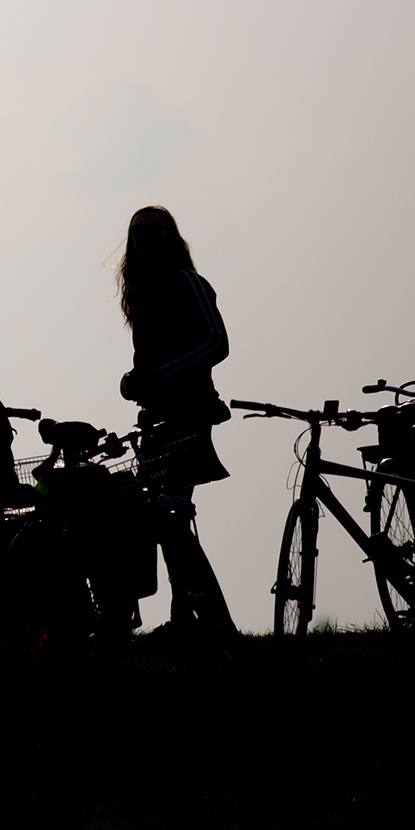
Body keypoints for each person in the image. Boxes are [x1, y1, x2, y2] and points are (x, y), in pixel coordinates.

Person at [114, 205, 237, 641]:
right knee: (164, 520)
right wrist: (134, 381)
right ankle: (189, 621)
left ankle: (207, 625)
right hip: (156, 419)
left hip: (187, 415)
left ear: (170, 237)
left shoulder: (187, 283)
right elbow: (147, 365)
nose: (144, 240)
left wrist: (161, 374)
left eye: (152, 231)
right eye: (137, 234)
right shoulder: (143, 292)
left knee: (171, 516)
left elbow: (217, 343)